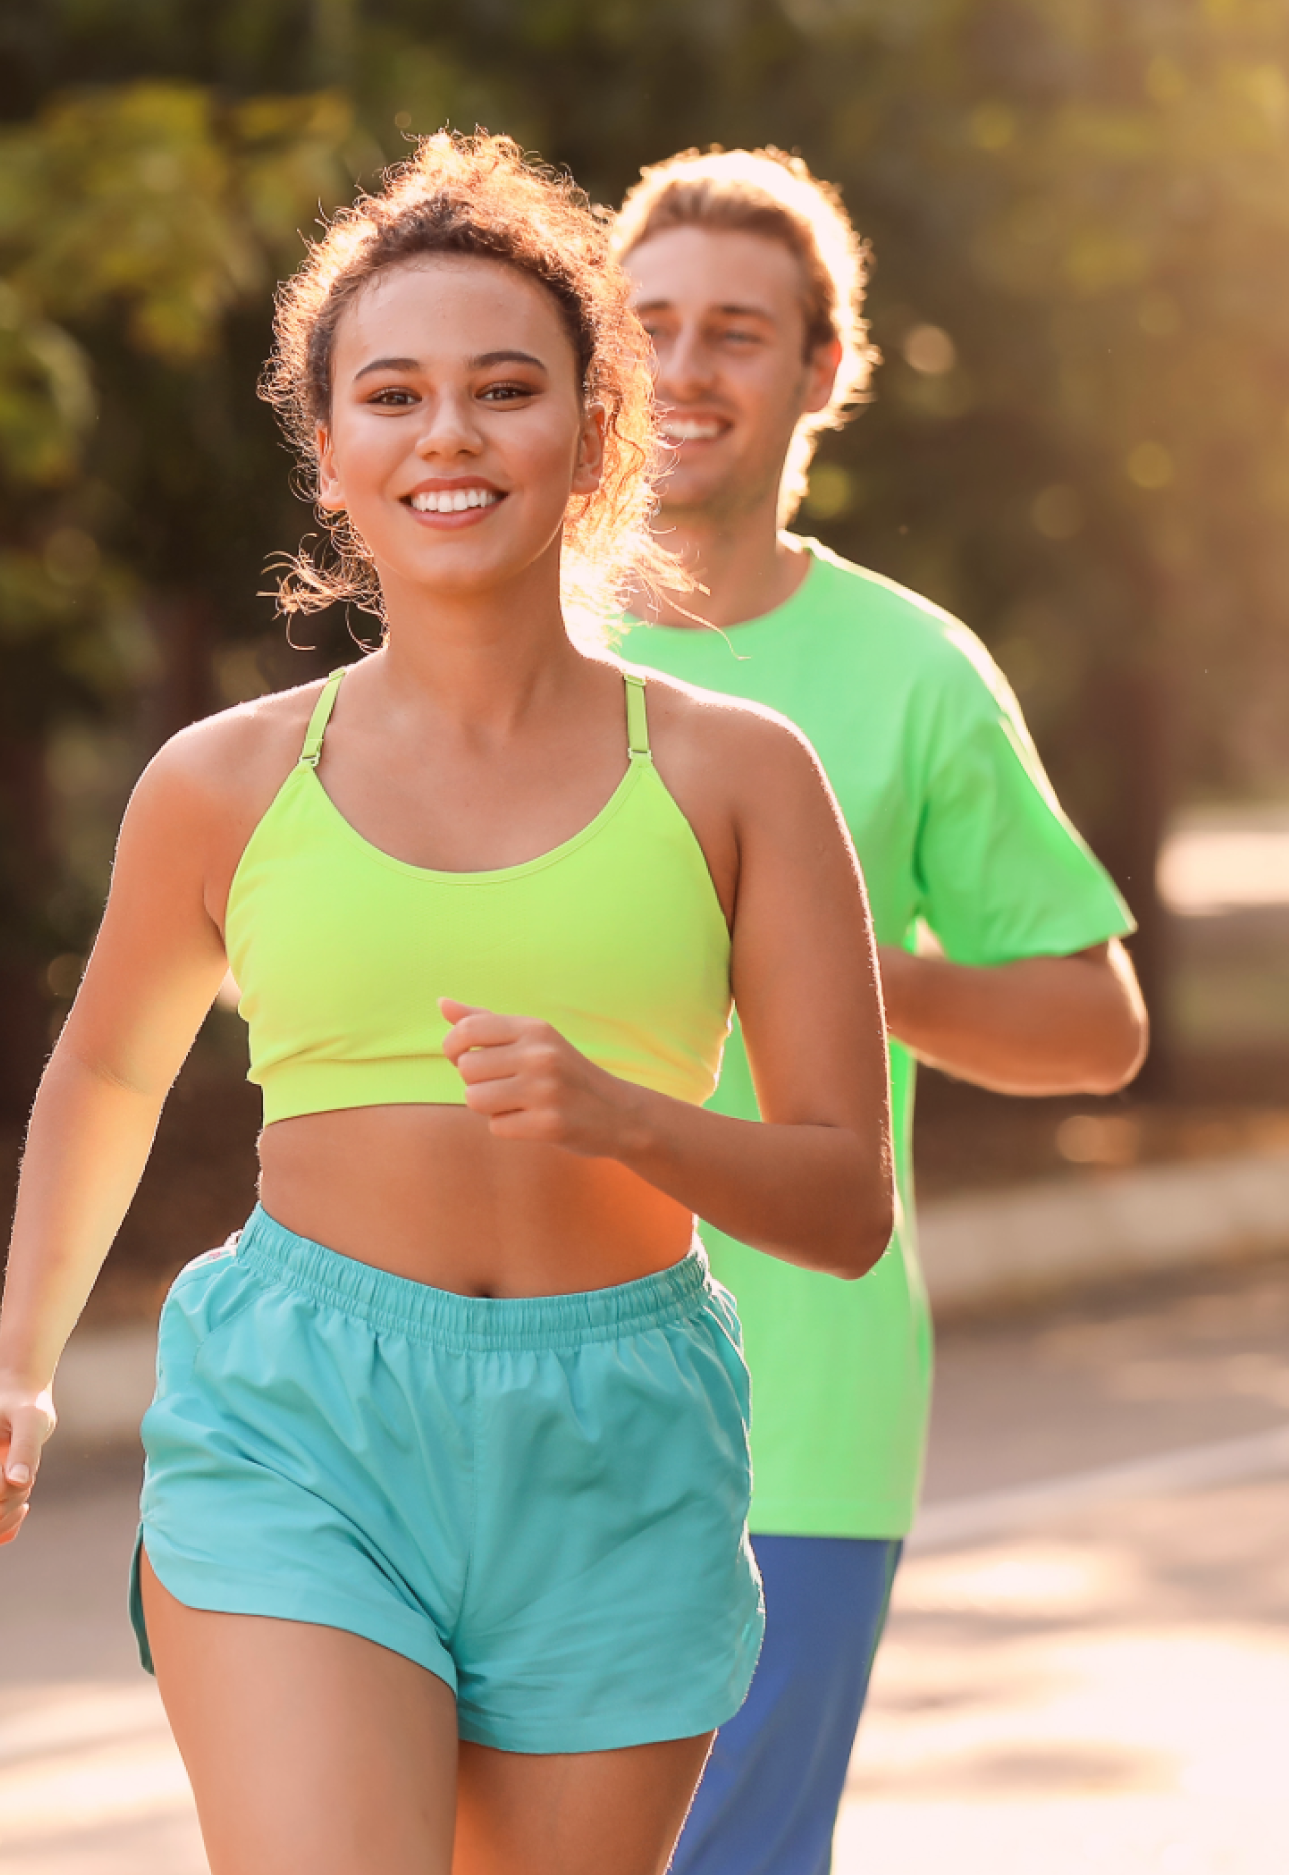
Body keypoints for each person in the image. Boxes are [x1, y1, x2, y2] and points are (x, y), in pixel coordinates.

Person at [0, 133, 897, 1875]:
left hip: (621, 1436)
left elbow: (843, 1201)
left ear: (595, 427)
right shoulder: (223, 782)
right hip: (303, 1425)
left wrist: (629, 1119)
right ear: (330, 446)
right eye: (391, 394)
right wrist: (22, 1369)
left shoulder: (742, 775)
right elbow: (104, 1073)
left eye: (506, 387)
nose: (447, 434)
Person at [609, 148, 1147, 1875]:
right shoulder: (498, 633)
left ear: (826, 372)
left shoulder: (913, 672)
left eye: (738, 335)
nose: (687, 370)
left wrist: (855, 970)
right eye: (652, 325)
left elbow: (1096, 1022)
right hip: (496, 1380)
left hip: (797, 1402)